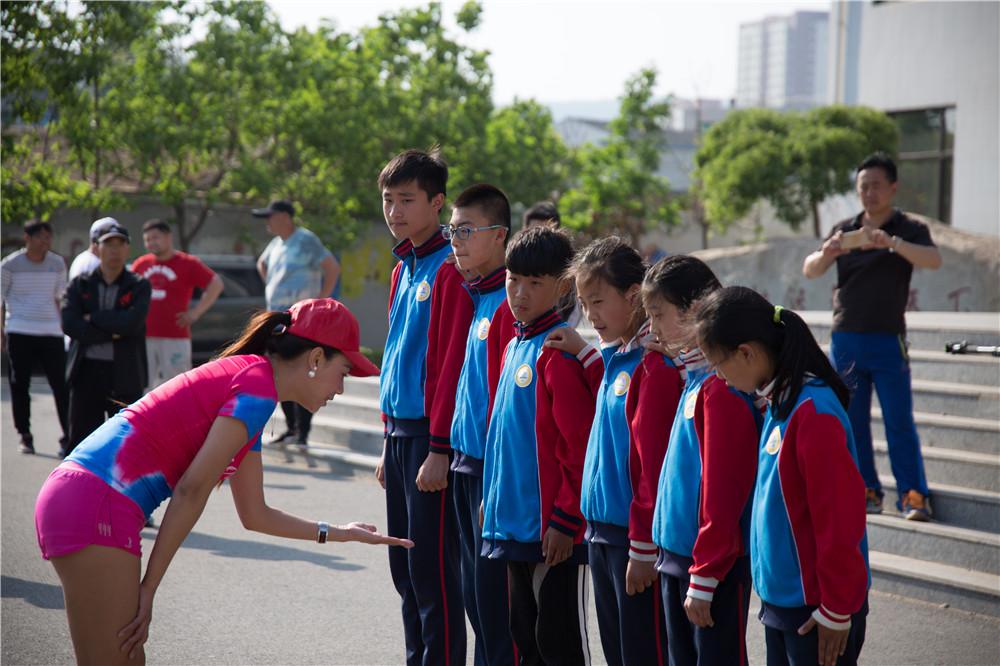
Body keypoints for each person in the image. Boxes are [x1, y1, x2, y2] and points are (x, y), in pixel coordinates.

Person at [35, 298, 411, 665]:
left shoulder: (253, 383)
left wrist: (340, 532)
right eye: (343, 372)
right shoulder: (257, 387)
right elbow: (192, 490)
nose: (341, 388)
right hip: (97, 504)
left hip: (81, 498)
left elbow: (255, 514)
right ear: (316, 358)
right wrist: (148, 588)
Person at [694, 287, 870, 666]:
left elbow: (840, 517)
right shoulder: (779, 402)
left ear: (747, 353)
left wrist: (837, 609)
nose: (719, 378)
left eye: (718, 365)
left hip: (816, 609)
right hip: (784, 602)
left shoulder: (812, 411)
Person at [544, 238, 678, 666]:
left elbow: (651, 467)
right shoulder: (616, 355)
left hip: (632, 539)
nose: (590, 315)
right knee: (618, 653)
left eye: (598, 301)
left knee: (643, 652)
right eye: (583, 303)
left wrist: (642, 547)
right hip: (599, 532)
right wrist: (584, 352)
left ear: (633, 296)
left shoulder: (654, 361)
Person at [802, 152, 942, 521]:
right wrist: (828, 252)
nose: (869, 193)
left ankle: (913, 494)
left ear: (893, 187)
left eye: (877, 185)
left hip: (888, 338)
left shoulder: (906, 228)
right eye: (863, 186)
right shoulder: (845, 228)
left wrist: (891, 243)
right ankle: (866, 489)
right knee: (852, 419)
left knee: (898, 420)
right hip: (846, 337)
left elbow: (933, 259)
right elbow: (810, 268)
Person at [480, 225, 594, 665]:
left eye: (535, 283)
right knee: (524, 641)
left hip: (551, 533)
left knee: (559, 643)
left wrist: (566, 520)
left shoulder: (558, 352)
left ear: (563, 286)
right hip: (513, 525)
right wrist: (492, 502)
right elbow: (503, 439)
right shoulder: (514, 345)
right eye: (513, 280)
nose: (520, 293)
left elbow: (579, 448)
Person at [375, 149, 470, 665]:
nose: (395, 211)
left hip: (430, 440)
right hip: (399, 437)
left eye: (407, 200)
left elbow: (447, 366)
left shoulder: (449, 270)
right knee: (404, 572)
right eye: (389, 200)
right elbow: (396, 355)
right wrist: (385, 440)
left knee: (432, 572)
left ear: (437, 202)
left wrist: (438, 448)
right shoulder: (402, 268)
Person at [650, 255, 761, 666]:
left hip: (710, 567)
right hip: (680, 557)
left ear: (694, 311)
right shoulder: (695, 378)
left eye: (659, 314)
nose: (654, 327)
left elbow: (723, 493)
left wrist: (707, 573)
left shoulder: (723, 389)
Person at [444, 184, 516, 665]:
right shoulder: (478, 297)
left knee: (497, 613)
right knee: (474, 600)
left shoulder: (510, 305)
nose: (457, 240)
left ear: (500, 236)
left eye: (467, 231)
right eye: (453, 230)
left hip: (493, 471)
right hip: (464, 464)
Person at [255, 199, 340, 449]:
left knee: (304, 372)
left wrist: (322, 299)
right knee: (279, 372)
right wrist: (274, 286)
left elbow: (332, 267)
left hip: (302, 320)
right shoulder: (275, 244)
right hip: (278, 318)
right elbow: (262, 264)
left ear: (284, 216)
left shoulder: (305, 240)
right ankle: (291, 428)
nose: (267, 222)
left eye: (270, 216)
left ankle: (302, 432)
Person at [61, 223, 151, 457]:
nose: (115, 250)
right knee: (81, 440)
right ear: (96, 248)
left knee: (126, 443)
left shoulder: (139, 285)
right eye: (109, 244)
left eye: (120, 244)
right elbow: (70, 324)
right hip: (86, 372)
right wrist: (112, 331)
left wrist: (93, 318)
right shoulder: (80, 284)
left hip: (125, 372)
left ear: (128, 249)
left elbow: (132, 324)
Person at [1, 220, 70, 454]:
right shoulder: (10, 265)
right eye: (41, 237)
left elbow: (60, 298)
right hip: (20, 329)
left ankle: (68, 436)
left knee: (61, 385)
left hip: (51, 331)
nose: (46, 242)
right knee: (20, 384)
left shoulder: (57, 263)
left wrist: (65, 329)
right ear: (27, 238)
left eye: (49, 237)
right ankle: (25, 434)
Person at [131, 219, 224, 388]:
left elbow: (216, 284)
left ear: (168, 237)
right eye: (147, 240)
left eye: (155, 238)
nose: (151, 243)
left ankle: (177, 416)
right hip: (144, 336)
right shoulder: (141, 264)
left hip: (175, 336)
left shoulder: (188, 263)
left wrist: (195, 313)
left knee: (177, 387)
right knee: (143, 387)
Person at [522, 200, 582, 327]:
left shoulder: (568, 276)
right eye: (534, 232)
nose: (539, 240)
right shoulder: (512, 269)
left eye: (546, 233)